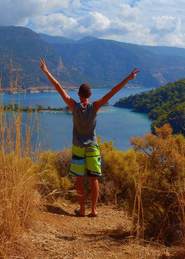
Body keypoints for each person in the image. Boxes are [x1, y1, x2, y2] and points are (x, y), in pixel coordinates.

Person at [39, 59, 140, 217]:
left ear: (79, 95)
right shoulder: (96, 106)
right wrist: (128, 79)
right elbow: (112, 92)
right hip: (92, 147)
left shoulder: (73, 106)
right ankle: (94, 210)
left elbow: (59, 88)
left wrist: (46, 71)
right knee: (94, 179)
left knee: (80, 180)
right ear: (90, 95)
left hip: (78, 148)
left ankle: (82, 210)